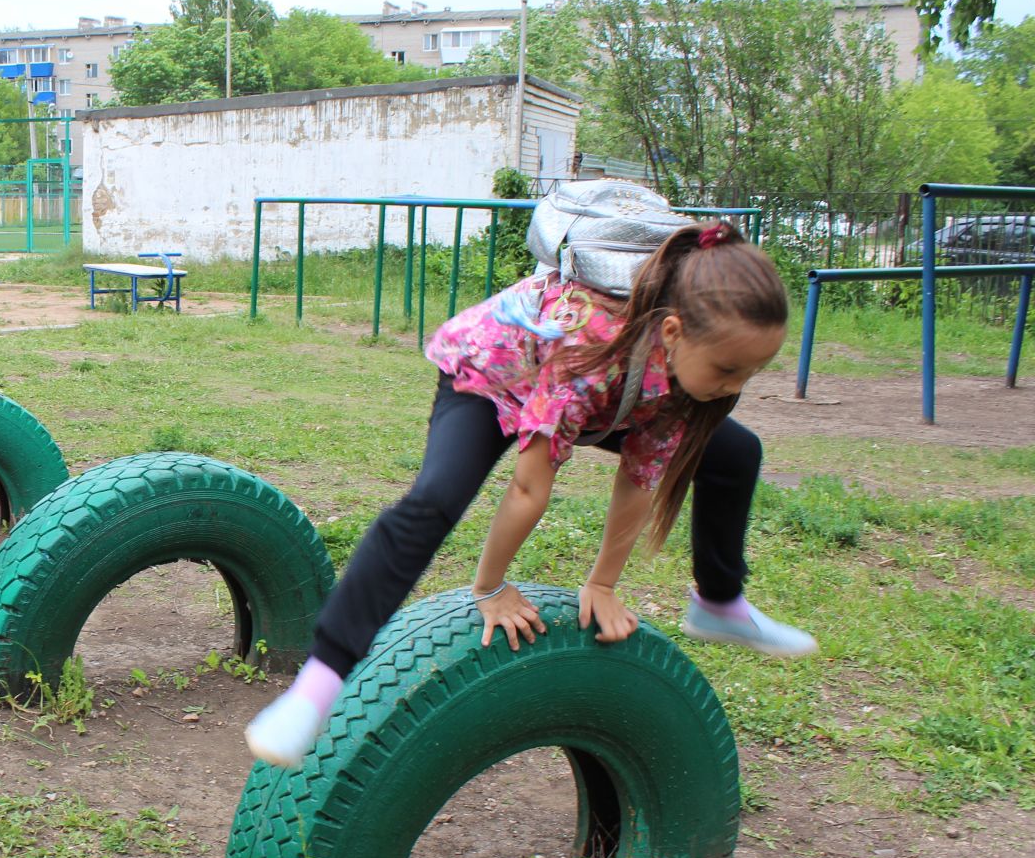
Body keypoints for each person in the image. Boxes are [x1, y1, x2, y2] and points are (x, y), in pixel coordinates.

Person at [245, 220, 816, 767]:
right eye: (726, 369)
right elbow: (528, 484)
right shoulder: (591, 338)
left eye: (752, 372)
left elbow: (641, 478)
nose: (734, 387)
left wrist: (603, 583)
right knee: (433, 502)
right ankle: (315, 689)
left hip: (608, 395)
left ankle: (719, 603)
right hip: (493, 377)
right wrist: (489, 586)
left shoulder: (684, 375)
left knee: (735, 451)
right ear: (672, 332)